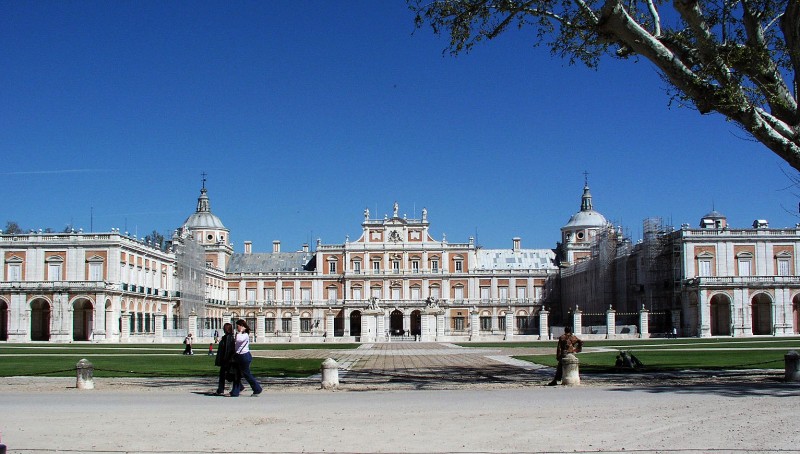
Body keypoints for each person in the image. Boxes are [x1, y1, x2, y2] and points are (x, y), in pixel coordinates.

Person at [230, 319, 263, 397]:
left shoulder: (244, 335)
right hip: (239, 356)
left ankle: (257, 389)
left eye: (237, 326)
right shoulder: (241, 334)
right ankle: (235, 391)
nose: (236, 328)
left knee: (247, 374)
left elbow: (238, 340)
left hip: (244, 356)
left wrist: (240, 331)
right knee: (236, 374)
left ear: (241, 326)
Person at [214, 323, 236, 396]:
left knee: (226, 375)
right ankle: (220, 389)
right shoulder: (226, 337)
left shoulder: (229, 338)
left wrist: (226, 360)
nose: (223, 329)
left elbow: (227, 350)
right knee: (225, 375)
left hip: (226, 360)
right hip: (225, 359)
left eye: (224, 328)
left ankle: (221, 389)